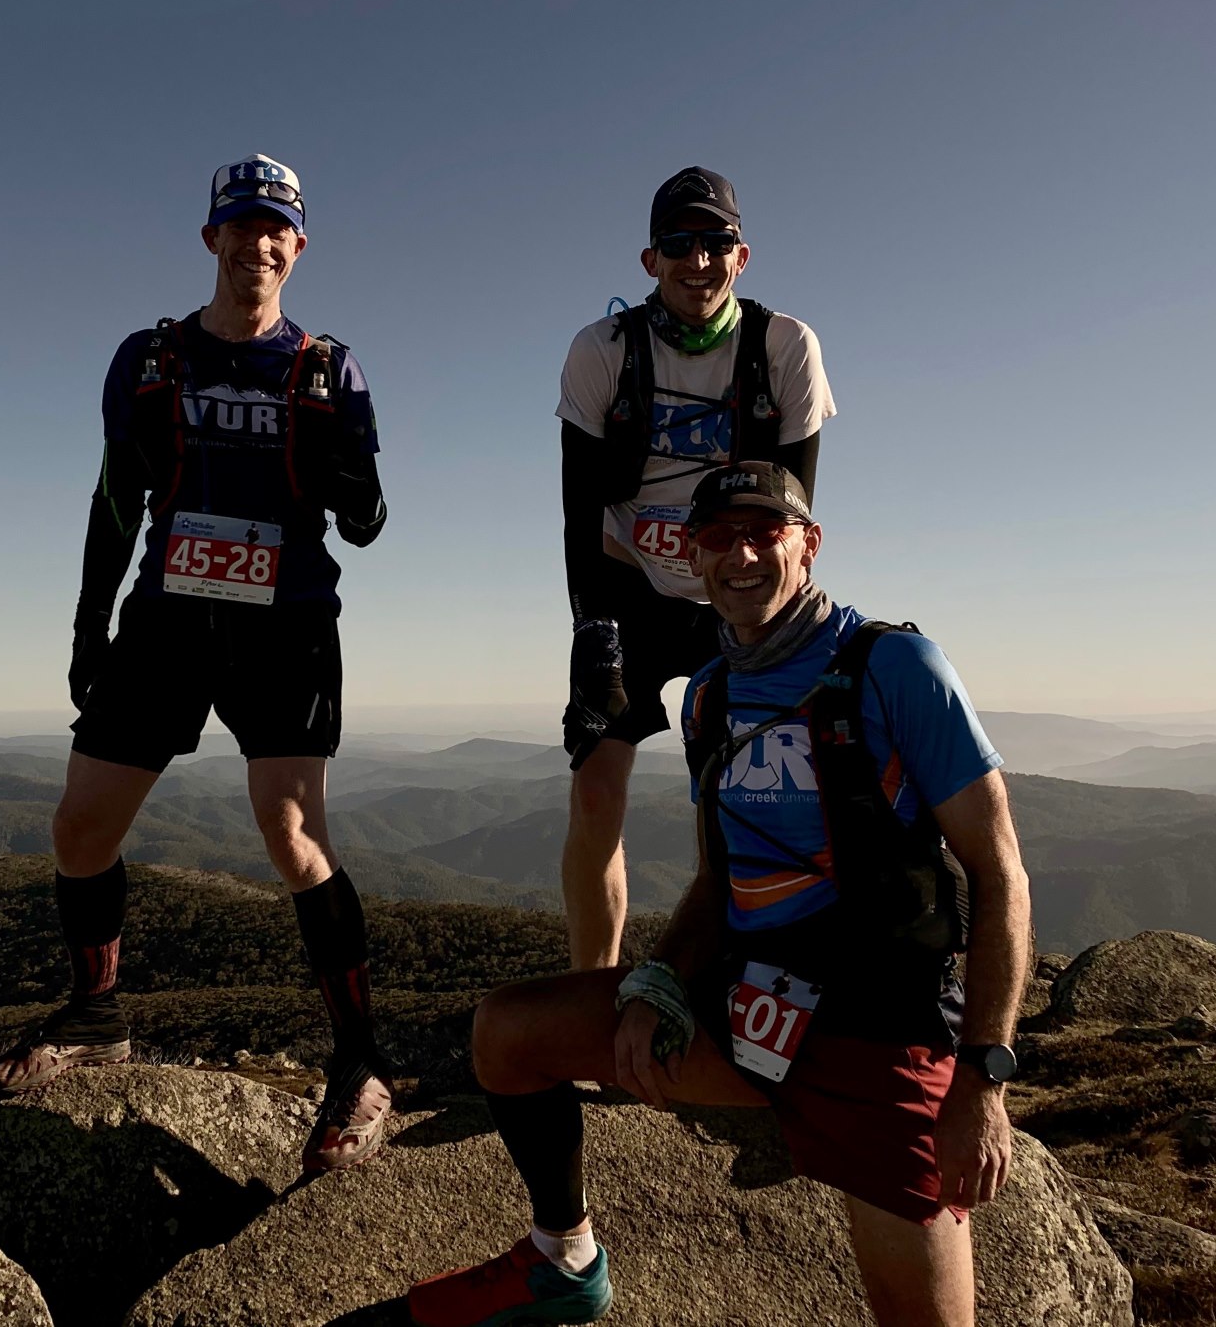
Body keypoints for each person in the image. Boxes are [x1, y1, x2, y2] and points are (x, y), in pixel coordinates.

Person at [409, 462, 1031, 1327]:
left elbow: (1000, 875)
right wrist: (659, 984)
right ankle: (566, 1261)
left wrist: (984, 1081)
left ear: (807, 545)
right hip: (749, 1008)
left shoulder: (896, 668)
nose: (739, 554)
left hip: (877, 1029)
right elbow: (715, 877)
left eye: (762, 532)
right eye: (715, 538)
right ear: (691, 559)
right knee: (506, 1033)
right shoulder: (710, 695)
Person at [0, 154, 394, 1175]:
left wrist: (352, 475)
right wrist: (88, 629)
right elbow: (117, 499)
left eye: (278, 229)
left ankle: (361, 1065)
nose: (259, 242)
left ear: (297, 249)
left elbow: (368, 522)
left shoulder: (328, 368)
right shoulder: (149, 360)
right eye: (241, 224)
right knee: (80, 825)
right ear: (210, 237)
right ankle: (96, 1015)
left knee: (293, 835)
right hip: (167, 617)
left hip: (286, 622)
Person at [557, 166, 837, 969]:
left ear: (741, 256)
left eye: (715, 243)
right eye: (678, 244)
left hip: (742, 594)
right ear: (651, 260)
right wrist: (593, 628)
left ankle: (732, 979)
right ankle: (594, 989)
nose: (698, 262)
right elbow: (581, 509)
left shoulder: (784, 346)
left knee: (745, 796)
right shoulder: (602, 350)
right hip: (628, 587)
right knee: (596, 789)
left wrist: (786, 632)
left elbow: (792, 510)